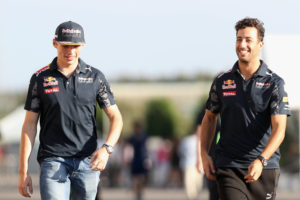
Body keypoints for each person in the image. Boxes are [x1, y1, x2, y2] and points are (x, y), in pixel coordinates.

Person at [18, 21, 123, 200]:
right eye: (65, 45)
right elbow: (29, 125)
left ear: (82, 46)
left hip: (88, 163)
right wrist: (23, 171)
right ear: (55, 44)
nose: (70, 51)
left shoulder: (95, 77)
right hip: (53, 160)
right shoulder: (40, 79)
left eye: (75, 46)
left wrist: (106, 149)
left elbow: (116, 118)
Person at [200, 17, 291, 200]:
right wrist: (204, 153)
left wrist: (261, 159)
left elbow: (279, 129)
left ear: (260, 44)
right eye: (239, 39)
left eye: (248, 40)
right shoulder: (222, 81)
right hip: (229, 165)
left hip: (264, 168)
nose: (242, 45)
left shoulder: (274, 84)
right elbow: (209, 118)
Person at [196, 106, 220, 200]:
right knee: (214, 191)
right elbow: (199, 135)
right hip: (212, 159)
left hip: (231, 157)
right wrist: (200, 157)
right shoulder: (208, 108)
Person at [179, 118, 204, 200]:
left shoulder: (185, 140)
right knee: (197, 183)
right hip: (198, 164)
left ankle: (192, 197)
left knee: (189, 184)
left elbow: (180, 151)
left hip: (188, 163)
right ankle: (195, 196)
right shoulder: (200, 140)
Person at [127, 121, 151, 200]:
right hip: (135, 159)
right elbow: (128, 148)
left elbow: (147, 148)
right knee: (135, 178)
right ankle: (137, 194)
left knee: (143, 178)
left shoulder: (144, 136)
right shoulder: (132, 137)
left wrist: (148, 158)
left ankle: (140, 191)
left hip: (143, 159)